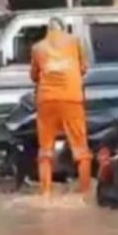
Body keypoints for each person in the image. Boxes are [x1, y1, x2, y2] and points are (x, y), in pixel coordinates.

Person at [30, 18, 92, 198]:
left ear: (47, 31)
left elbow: (34, 75)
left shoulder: (37, 48)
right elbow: (84, 68)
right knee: (81, 150)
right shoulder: (75, 41)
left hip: (46, 101)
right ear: (64, 29)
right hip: (72, 99)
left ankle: (45, 194)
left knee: (45, 151)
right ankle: (85, 193)